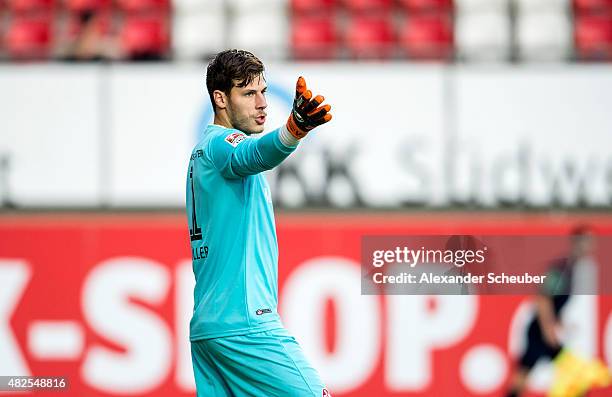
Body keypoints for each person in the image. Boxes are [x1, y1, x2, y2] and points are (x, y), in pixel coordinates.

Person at [186, 49, 332, 397]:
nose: (262, 102)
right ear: (220, 99)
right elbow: (251, 154)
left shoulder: (202, 153)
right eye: (248, 93)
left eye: (264, 91)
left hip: (209, 330)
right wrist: (294, 130)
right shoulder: (223, 143)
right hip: (246, 324)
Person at [505, 226, 595, 397]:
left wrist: (560, 322)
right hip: (541, 332)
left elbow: (554, 303)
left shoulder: (572, 268)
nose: (590, 246)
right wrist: (548, 330)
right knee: (574, 373)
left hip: (543, 331)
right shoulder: (562, 268)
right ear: (576, 242)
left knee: (524, 376)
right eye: (586, 241)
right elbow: (543, 298)